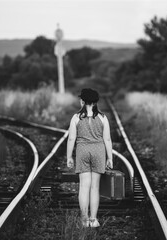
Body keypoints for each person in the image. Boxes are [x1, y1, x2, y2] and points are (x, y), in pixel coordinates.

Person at [66, 88, 113, 228]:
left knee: (84, 187)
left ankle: (84, 220)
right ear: (96, 102)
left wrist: (69, 156)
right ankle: (93, 220)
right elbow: (108, 139)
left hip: (82, 152)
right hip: (98, 151)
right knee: (95, 187)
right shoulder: (103, 118)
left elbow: (71, 139)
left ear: (82, 101)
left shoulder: (76, 118)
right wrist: (110, 158)